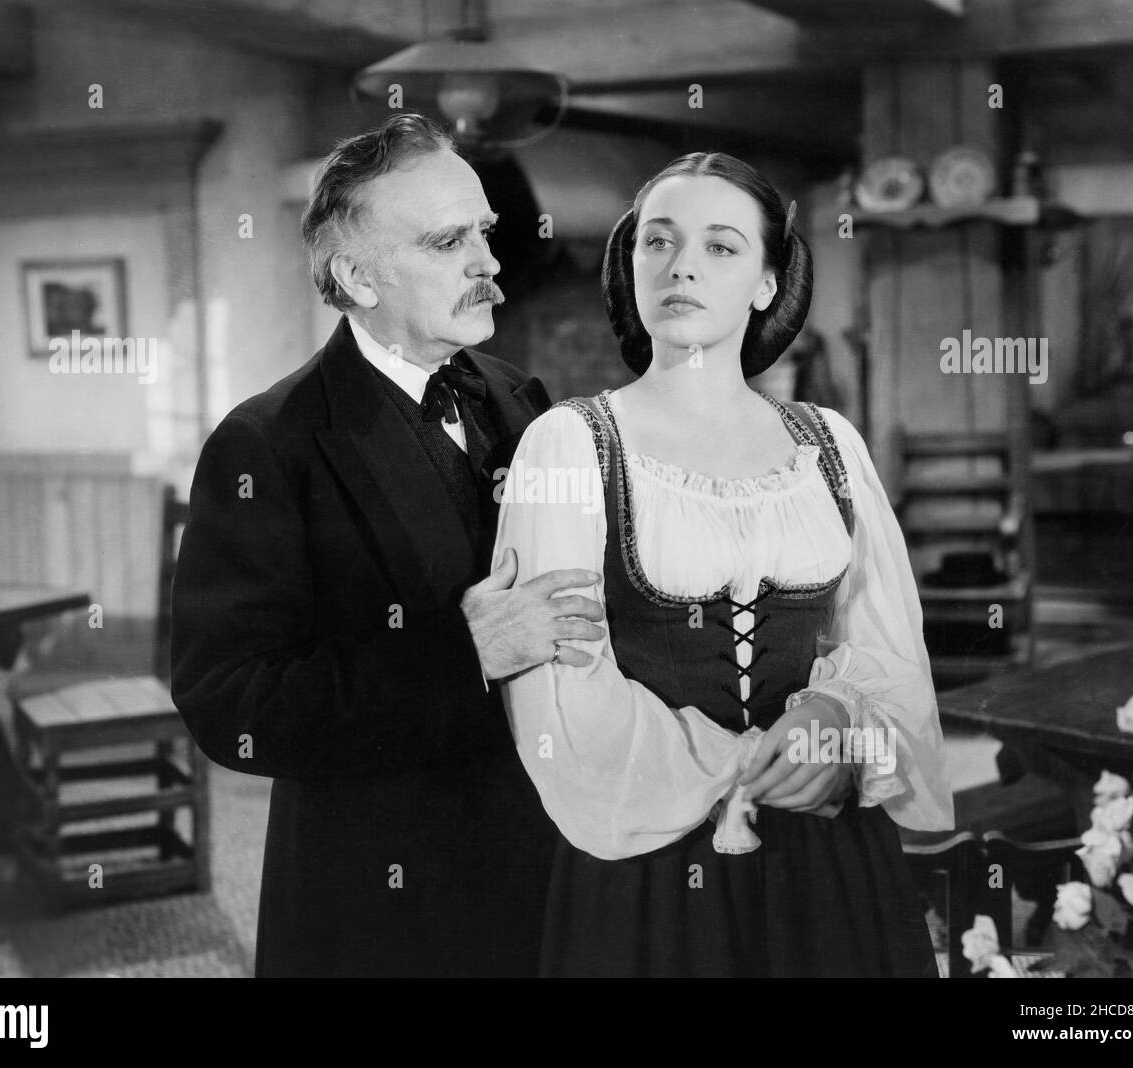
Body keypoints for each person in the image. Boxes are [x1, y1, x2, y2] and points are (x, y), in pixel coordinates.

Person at [493, 151, 955, 977]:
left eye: (721, 246)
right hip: (649, 868)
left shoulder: (829, 447)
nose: (682, 267)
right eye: (658, 243)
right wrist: (741, 765)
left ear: (768, 283)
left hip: (826, 859)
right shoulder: (568, 444)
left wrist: (841, 726)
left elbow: (892, 652)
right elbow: (561, 702)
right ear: (630, 268)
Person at [170, 114, 602, 977]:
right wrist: (462, 654)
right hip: (379, 898)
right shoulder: (268, 444)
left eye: (484, 232)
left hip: (541, 863)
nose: (488, 262)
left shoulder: (522, 399)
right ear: (355, 277)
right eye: (449, 242)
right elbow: (228, 701)